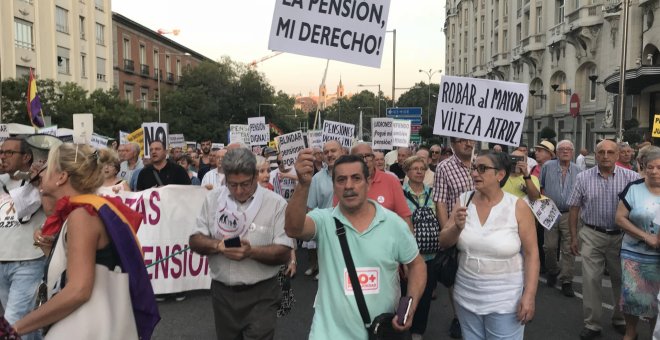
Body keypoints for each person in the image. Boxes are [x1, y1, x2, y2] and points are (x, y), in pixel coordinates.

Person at [14, 143, 159, 339]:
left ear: (62, 177)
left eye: (47, 166)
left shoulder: (81, 215)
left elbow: (79, 290)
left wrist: (17, 328)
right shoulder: (86, 209)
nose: (41, 171)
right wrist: (52, 250)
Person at [285, 151, 427, 339]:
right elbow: (293, 229)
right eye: (341, 180)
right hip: (329, 333)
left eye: (356, 178)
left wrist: (410, 305)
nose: (349, 186)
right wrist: (303, 185)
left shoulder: (393, 224)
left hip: (380, 333)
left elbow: (417, 264)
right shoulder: (324, 220)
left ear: (368, 183)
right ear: (334, 186)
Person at [189, 148, 294, 340]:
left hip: (262, 294)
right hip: (223, 294)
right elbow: (195, 240)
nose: (238, 190)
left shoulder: (276, 203)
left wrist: (251, 252)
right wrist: (218, 246)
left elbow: (284, 252)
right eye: (232, 184)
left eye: (245, 184)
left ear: (255, 175)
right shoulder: (213, 199)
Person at [439, 152, 539, 340]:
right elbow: (444, 241)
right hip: (466, 298)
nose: (475, 174)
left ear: (500, 175)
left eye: (482, 169)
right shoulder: (464, 200)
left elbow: (532, 253)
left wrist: (530, 295)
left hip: (506, 301)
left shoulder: (517, 206)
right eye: (474, 168)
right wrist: (456, 228)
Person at [568, 139, 641, 340]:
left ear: (618, 155)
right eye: (601, 152)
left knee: (621, 279)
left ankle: (620, 319)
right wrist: (574, 237)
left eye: (610, 152)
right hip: (592, 234)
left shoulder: (632, 177)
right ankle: (592, 323)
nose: (606, 156)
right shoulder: (583, 178)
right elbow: (574, 207)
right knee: (591, 280)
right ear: (595, 154)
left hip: (622, 237)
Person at [0, 137, 47, 340]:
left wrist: (39, 179)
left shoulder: (40, 179)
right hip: (2, 260)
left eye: (9, 153)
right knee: (28, 323)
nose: (3, 157)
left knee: (13, 322)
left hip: (28, 261)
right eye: (1, 152)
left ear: (26, 157)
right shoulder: (2, 181)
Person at [615, 150, 660, 340]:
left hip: (658, 258)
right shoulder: (633, 188)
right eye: (650, 167)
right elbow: (619, 218)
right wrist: (645, 236)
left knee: (656, 300)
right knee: (632, 296)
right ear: (643, 167)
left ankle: (655, 334)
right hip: (634, 253)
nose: (655, 171)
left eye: (659, 167)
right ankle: (630, 331)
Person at [433, 137, 476, 338]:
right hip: (457, 230)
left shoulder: (483, 162)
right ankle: (459, 317)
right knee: (456, 279)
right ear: (453, 144)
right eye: (462, 141)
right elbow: (440, 202)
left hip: (483, 231)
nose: (468, 144)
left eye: (471, 140)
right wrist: (446, 233)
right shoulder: (444, 167)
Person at [402, 155, 439, 340]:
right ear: (407, 172)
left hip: (430, 255)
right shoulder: (400, 194)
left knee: (424, 297)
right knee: (404, 294)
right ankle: (402, 325)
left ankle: (418, 331)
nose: (419, 171)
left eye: (422, 168)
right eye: (414, 168)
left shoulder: (433, 194)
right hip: (406, 256)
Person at [540, 140, 581, 297]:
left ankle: (566, 280)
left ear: (572, 152)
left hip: (570, 213)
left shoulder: (578, 170)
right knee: (549, 246)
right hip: (550, 212)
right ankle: (552, 270)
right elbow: (541, 186)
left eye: (568, 149)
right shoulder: (547, 167)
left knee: (569, 248)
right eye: (562, 149)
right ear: (556, 152)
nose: (565, 151)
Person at [348, 143, 413, 230]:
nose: (365, 160)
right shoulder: (345, 184)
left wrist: (409, 242)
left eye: (368, 156)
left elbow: (405, 218)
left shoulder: (392, 181)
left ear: (373, 159)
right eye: (359, 157)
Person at [305, 140, 342, 278]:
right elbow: (311, 209)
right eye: (326, 152)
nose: (329, 154)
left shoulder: (354, 174)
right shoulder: (317, 179)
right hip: (327, 232)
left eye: (333, 151)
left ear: (342, 152)